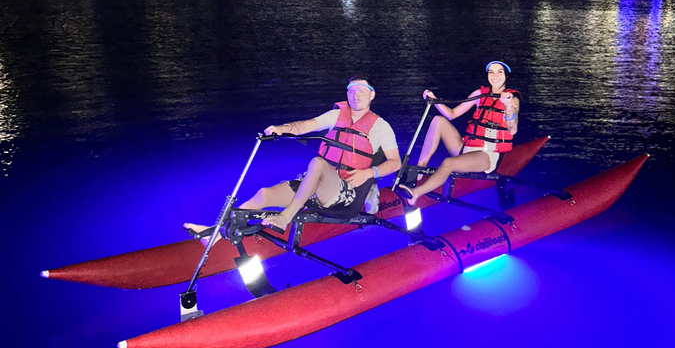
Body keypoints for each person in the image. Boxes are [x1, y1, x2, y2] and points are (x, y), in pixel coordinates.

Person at [184, 74, 400, 238]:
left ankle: (284, 218)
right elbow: (303, 126)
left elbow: (395, 163)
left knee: (317, 162)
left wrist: (368, 173)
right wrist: (281, 128)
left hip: (346, 194)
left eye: (362, 90)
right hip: (317, 186)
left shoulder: (381, 127)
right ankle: (214, 235)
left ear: (372, 95)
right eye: (352, 90)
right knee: (264, 195)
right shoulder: (336, 115)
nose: (357, 95)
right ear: (347, 94)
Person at [398, 61, 520, 204]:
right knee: (438, 120)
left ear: (506, 76)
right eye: (491, 72)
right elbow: (452, 114)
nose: (494, 76)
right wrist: (434, 100)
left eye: (499, 72)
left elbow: (512, 130)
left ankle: (415, 194)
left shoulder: (512, 100)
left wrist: (508, 108)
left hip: (486, 156)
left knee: (448, 163)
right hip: (466, 148)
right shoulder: (479, 94)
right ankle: (420, 168)